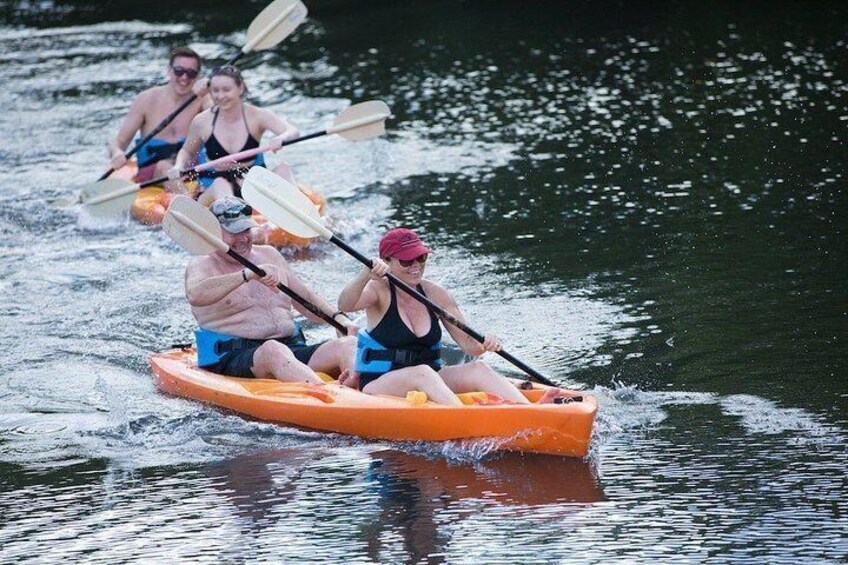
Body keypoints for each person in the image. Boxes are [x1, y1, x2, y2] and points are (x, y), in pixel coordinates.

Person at [336, 228, 537, 406]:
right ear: (386, 261)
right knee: (422, 373)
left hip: (432, 377)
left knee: (478, 368)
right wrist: (364, 276)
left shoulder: (436, 294)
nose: (416, 265)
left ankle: (532, 412)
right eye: (407, 260)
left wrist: (487, 343)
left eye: (421, 257)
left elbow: (470, 346)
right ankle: (466, 421)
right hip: (380, 382)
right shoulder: (378, 290)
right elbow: (345, 305)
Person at [187, 197, 357, 384]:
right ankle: (327, 397)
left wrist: (338, 318)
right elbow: (195, 294)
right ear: (213, 232)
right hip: (234, 357)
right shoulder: (202, 264)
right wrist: (246, 274)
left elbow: (305, 299)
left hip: (291, 349)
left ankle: (358, 392)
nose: (243, 238)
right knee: (273, 350)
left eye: (246, 230)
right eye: (234, 232)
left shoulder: (269, 254)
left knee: (348, 345)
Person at [169, 65, 300, 207]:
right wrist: (178, 166)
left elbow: (292, 131)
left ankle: (300, 212)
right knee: (221, 184)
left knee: (283, 169)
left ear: (240, 88)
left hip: (251, 184)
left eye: (226, 90)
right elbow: (187, 151)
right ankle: (233, 215)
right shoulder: (202, 121)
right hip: (214, 189)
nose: (220, 96)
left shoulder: (258, 116)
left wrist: (282, 138)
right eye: (215, 91)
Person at [107, 46, 212, 188]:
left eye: (191, 73)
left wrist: (211, 87)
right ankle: (190, 204)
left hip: (188, 169)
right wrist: (117, 153)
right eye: (179, 71)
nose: (184, 77)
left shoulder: (203, 99)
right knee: (164, 166)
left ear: (198, 76)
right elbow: (119, 141)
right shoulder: (146, 99)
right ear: (169, 70)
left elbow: (219, 119)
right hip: (153, 172)